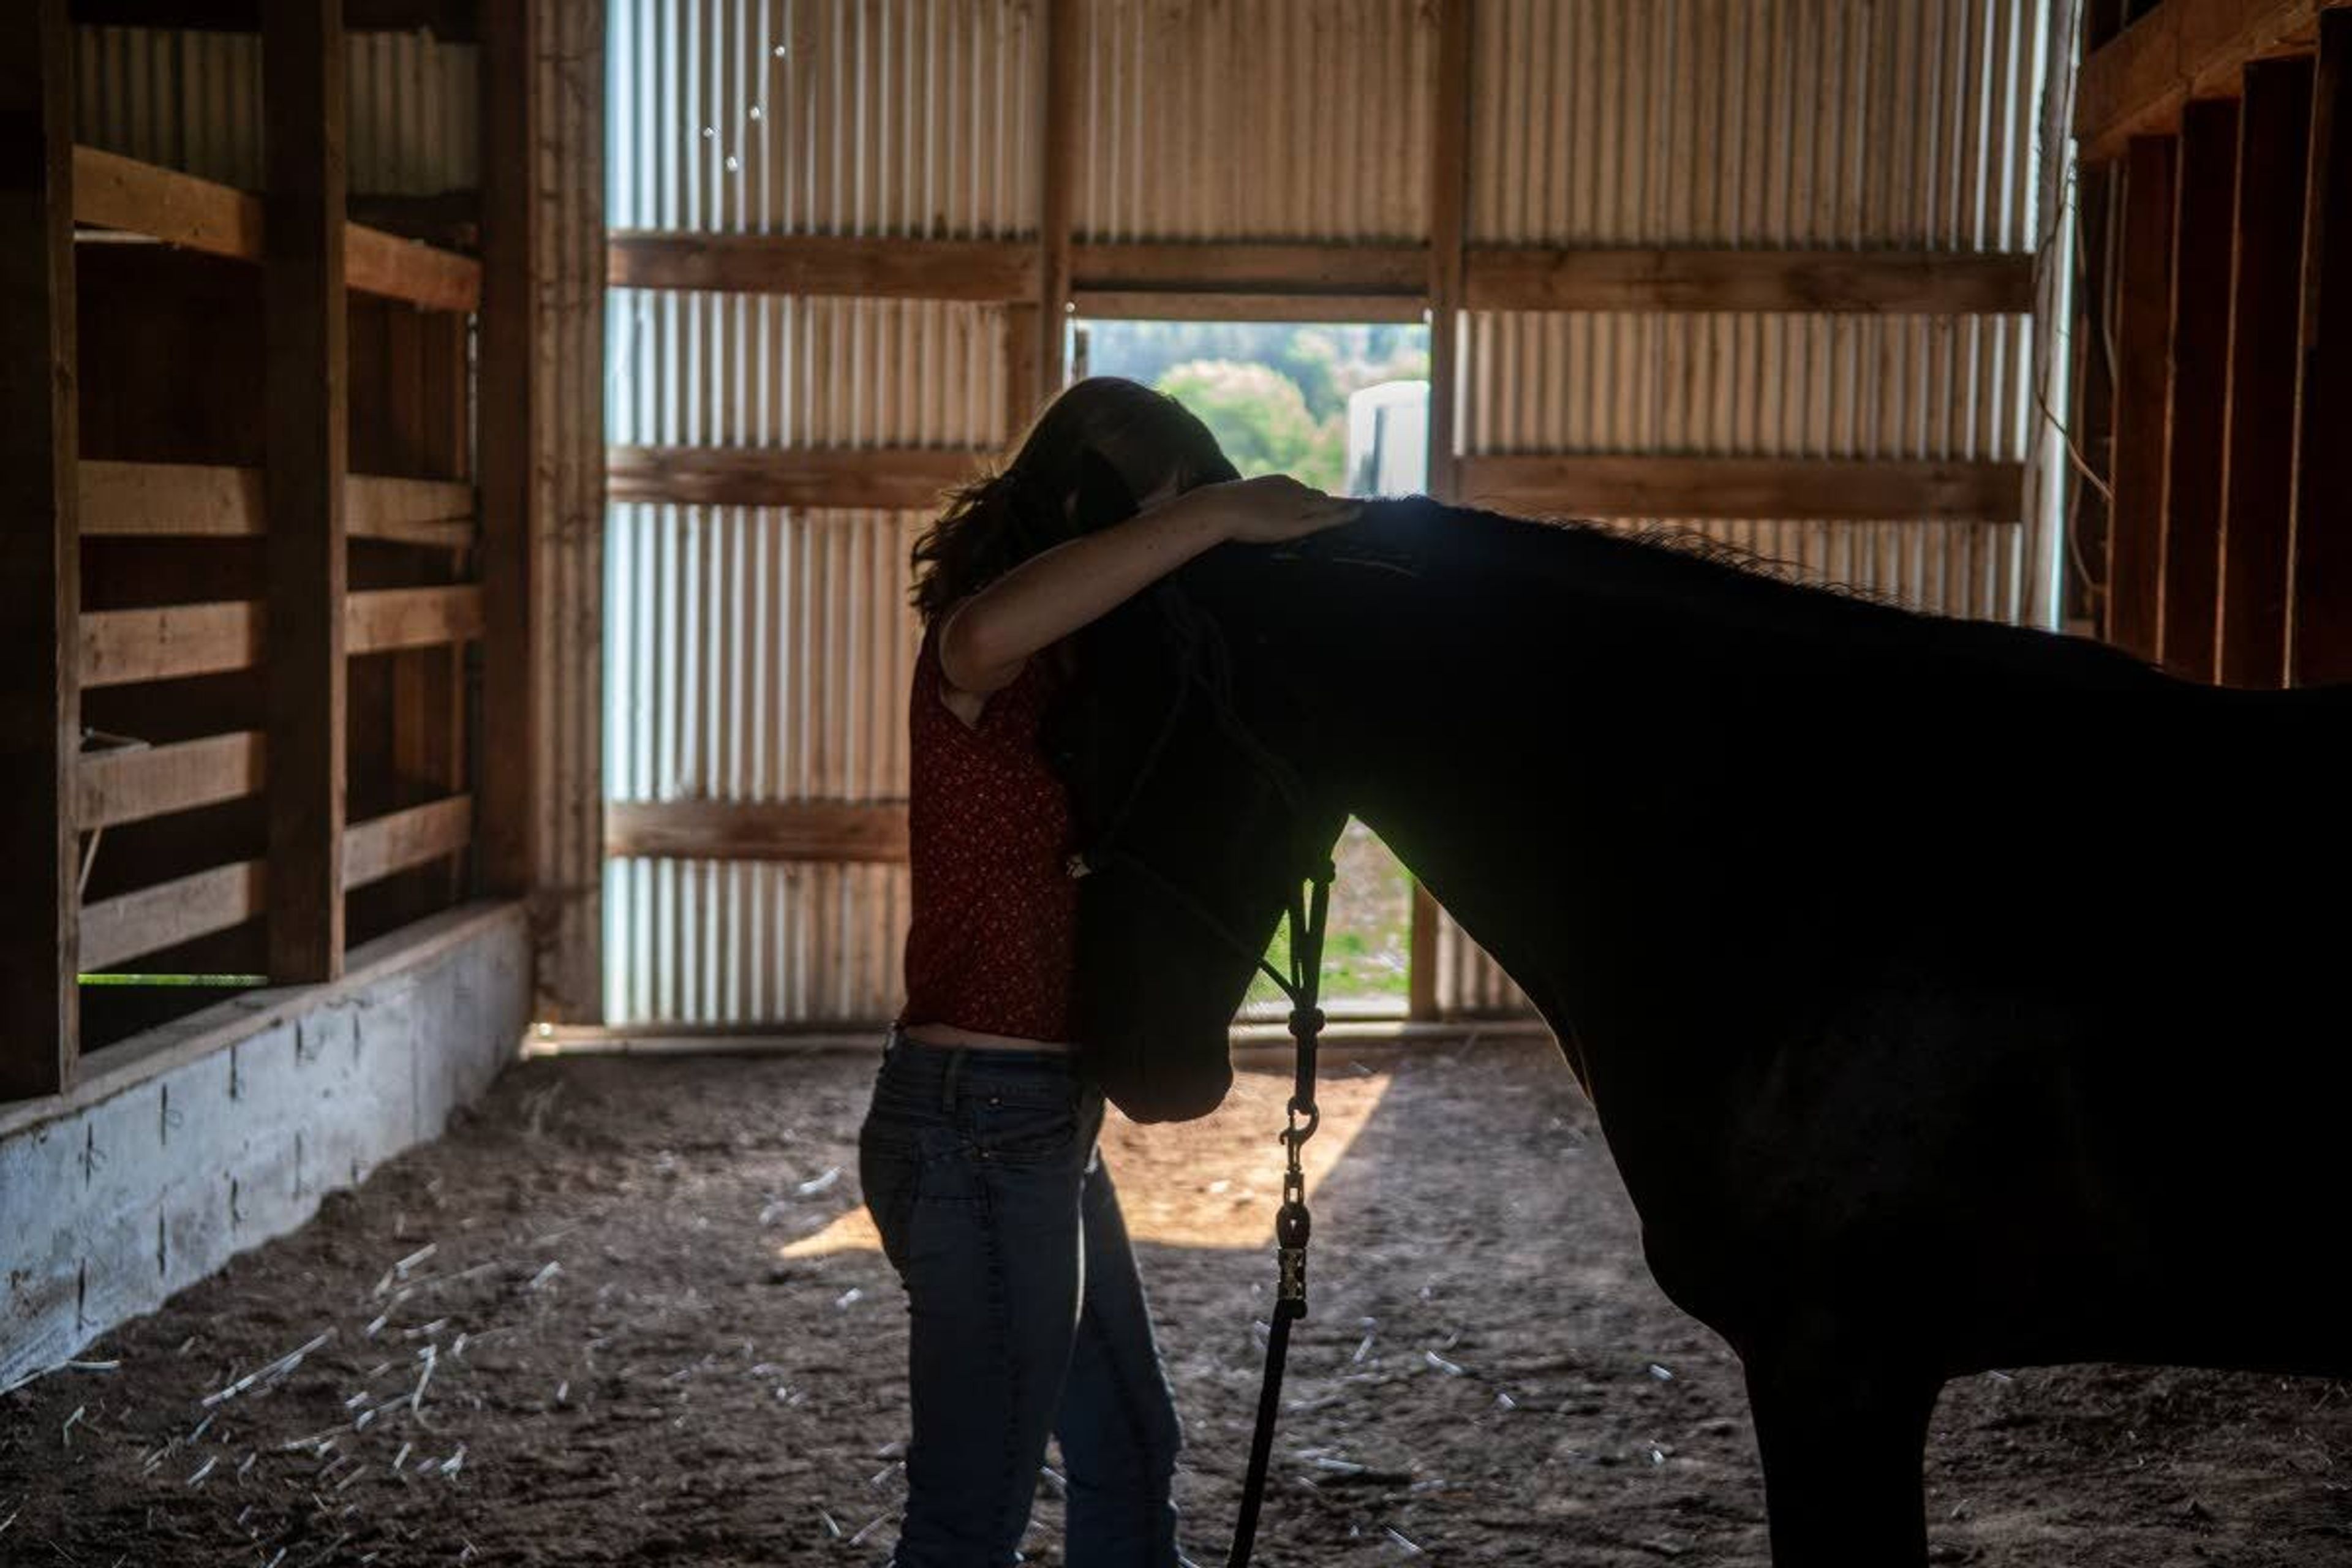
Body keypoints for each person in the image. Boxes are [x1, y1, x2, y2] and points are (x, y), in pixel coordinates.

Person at [857, 376, 1359, 1566]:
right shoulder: (983, 660)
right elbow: (980, 631)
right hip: (974, 1126)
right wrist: (1216, 515)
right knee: (971, 1514)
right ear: (1096, 506)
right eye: (1155, 517)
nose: (1161, 552)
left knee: (1131, 1448)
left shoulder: (1087, 684)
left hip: (1040, 1128)